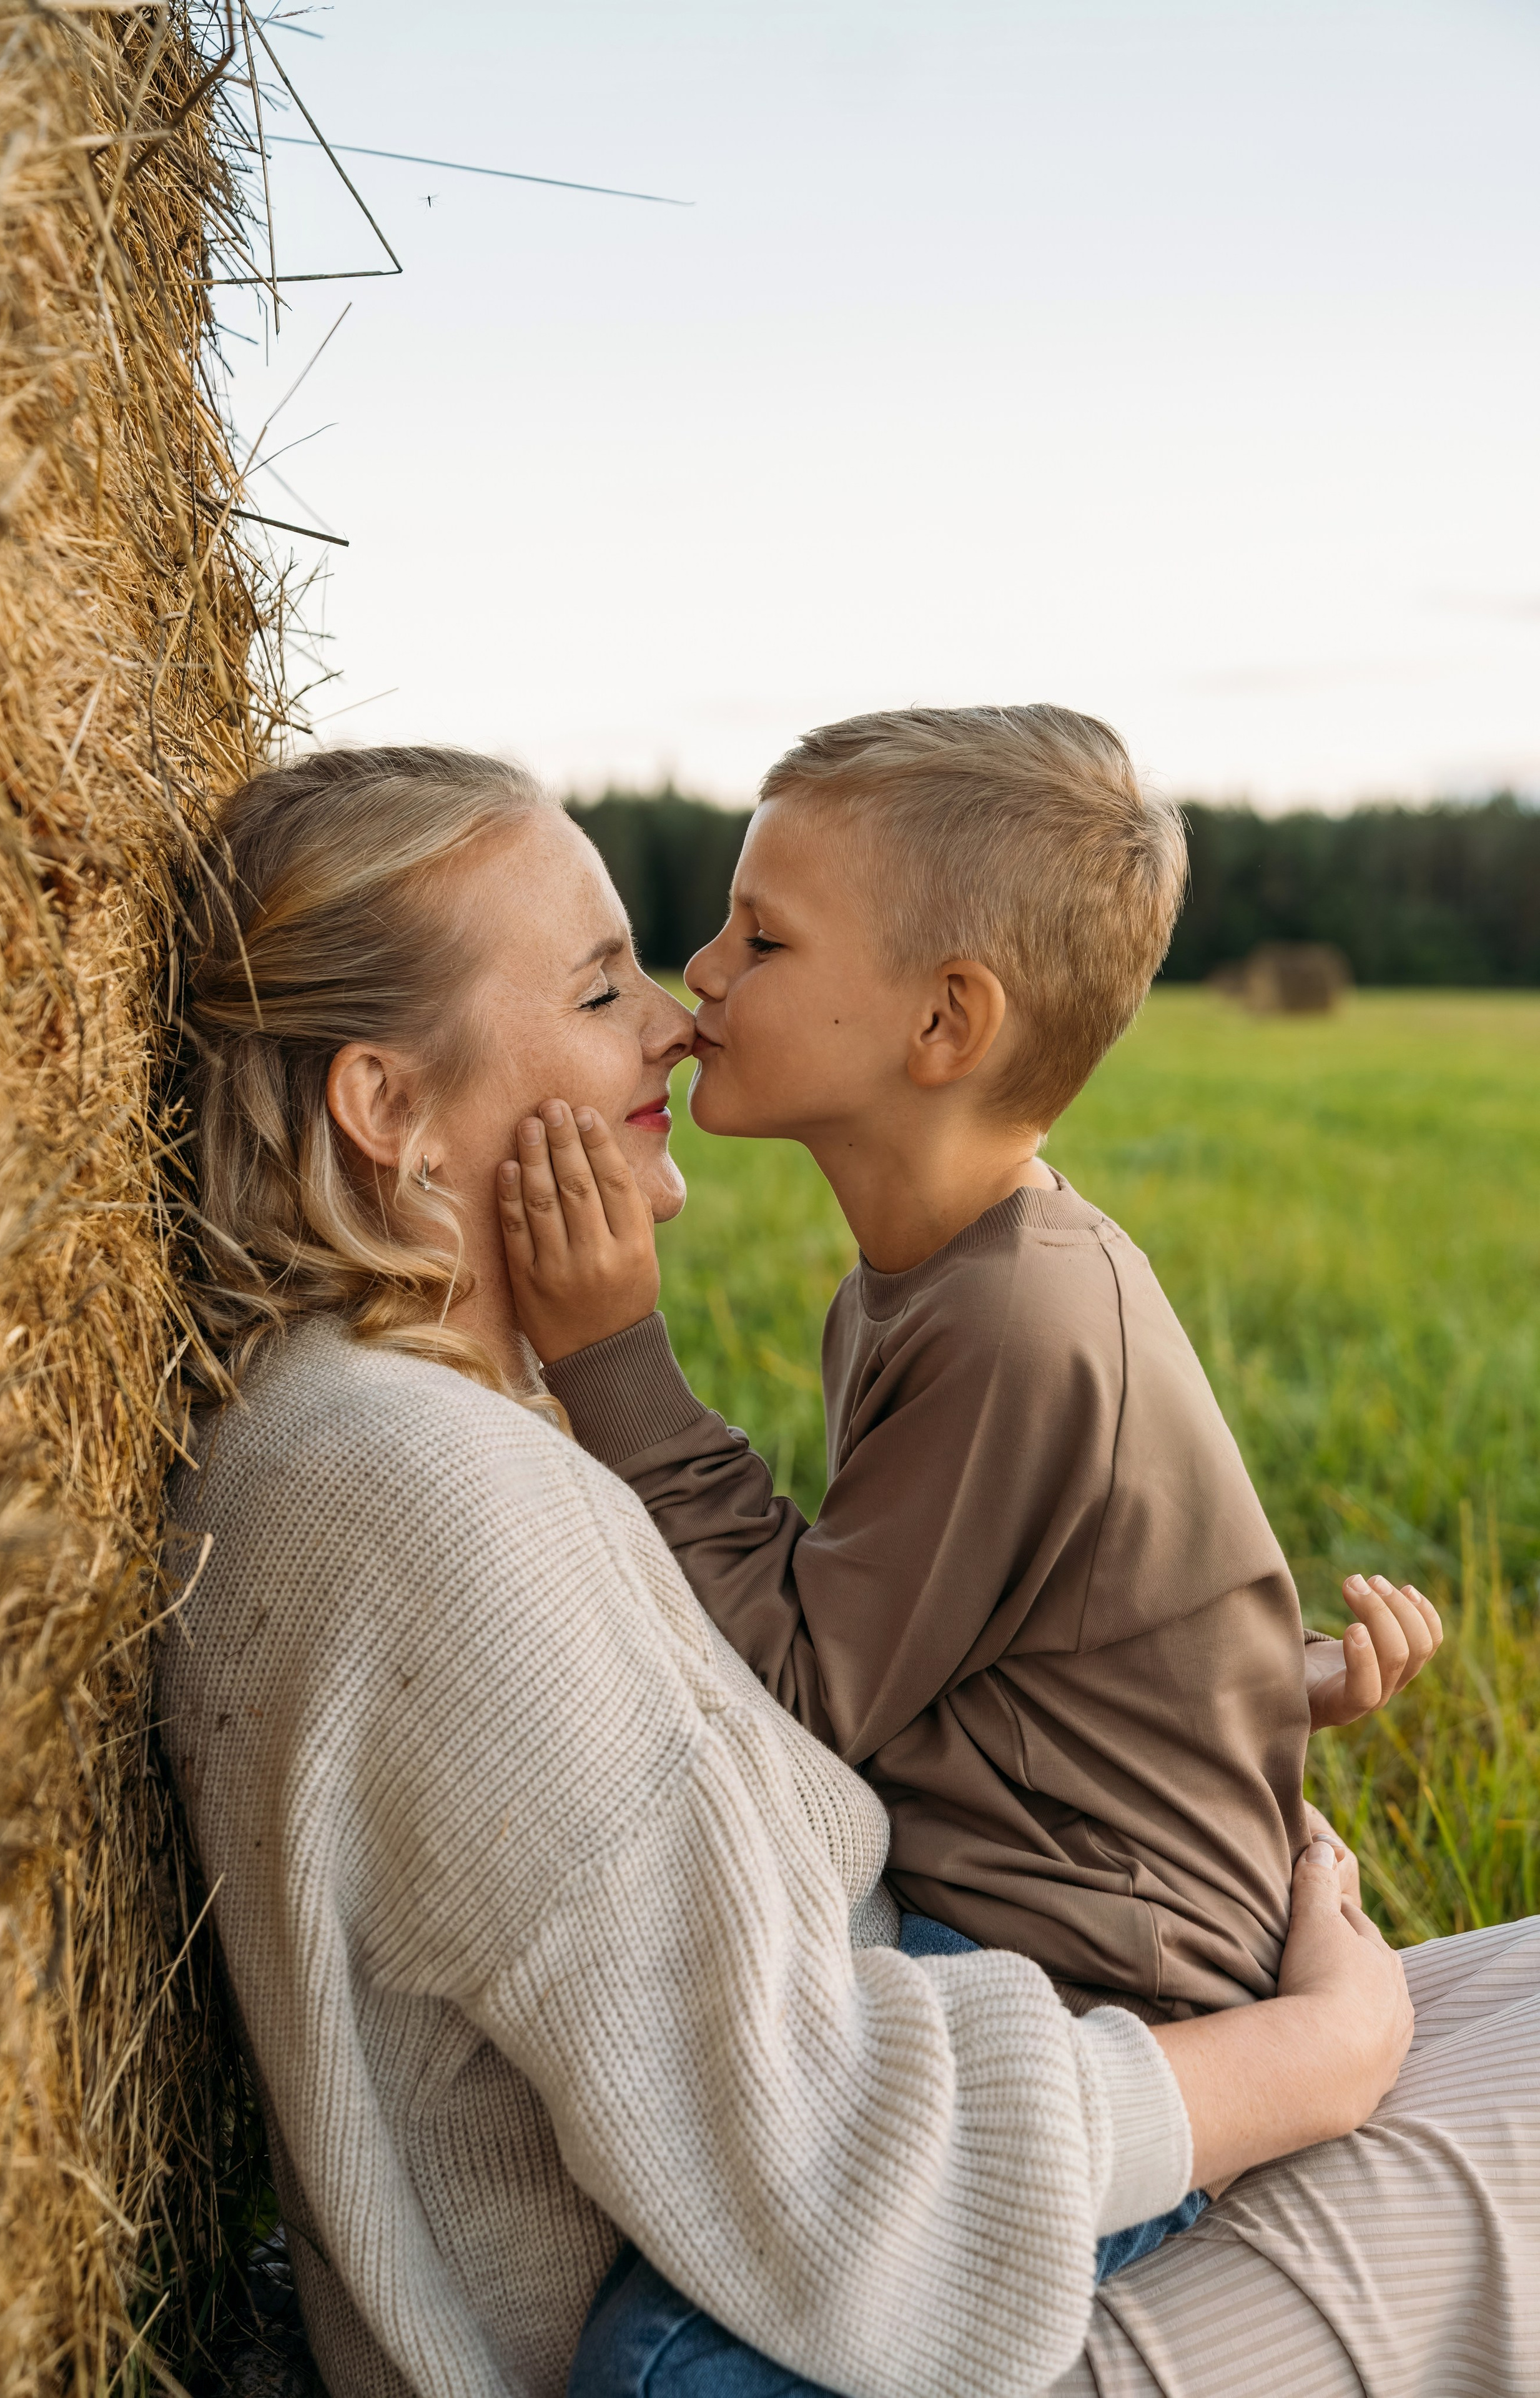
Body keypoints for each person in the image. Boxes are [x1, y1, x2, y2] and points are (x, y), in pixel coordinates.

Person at [160, 743, 1539, 2398]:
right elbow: (823, 2163)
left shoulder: (466, 1428)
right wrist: (1313, 2055)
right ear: (387, 1107)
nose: (679, 1011)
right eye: (603, 990)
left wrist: (1222, 1728)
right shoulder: (416, 1490)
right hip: (841, 2301)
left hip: (957, 2119)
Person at [500, 705, 1441, 2025]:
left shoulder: (1012, 1320)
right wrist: (1270, 1681)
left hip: (1094, 1997)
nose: (700, 970)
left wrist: (612, 1363)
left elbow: (811, 1693)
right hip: (1017, 1922)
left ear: (943, 1023)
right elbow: (1049, 1615)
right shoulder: (936, 1280)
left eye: (762, 938)